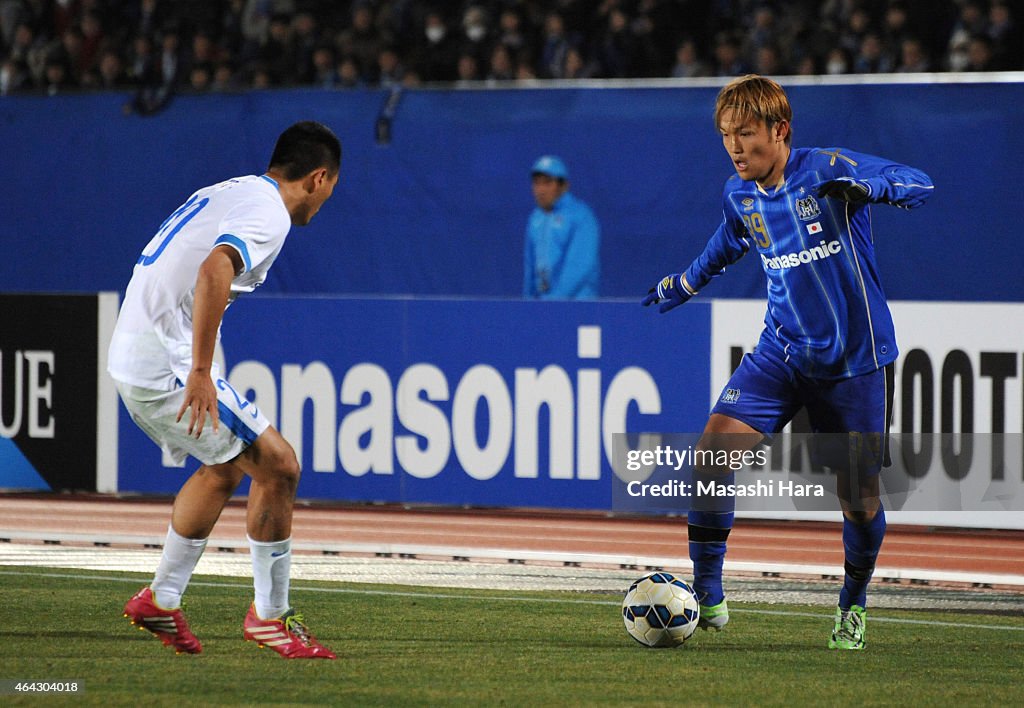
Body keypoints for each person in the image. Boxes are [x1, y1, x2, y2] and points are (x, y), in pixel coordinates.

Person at [642, 75, 933, 650]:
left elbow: (919, 182)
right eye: (726, 135)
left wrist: (873, 190)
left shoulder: (826, 169)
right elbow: (728, 241)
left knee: (860, 501)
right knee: (710, 456)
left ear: (780, 131)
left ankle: (852, 601)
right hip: (780, 354)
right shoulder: (739, 192)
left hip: (854, 363)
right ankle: (706, 594)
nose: (734, 147)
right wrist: (685, 282)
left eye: (745, 134)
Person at [109, 121, 341, 659]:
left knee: (224, 468)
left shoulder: (230, 191)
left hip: (137, 353)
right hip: (164, 362)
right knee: (280, 466)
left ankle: (161, 601)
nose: (327, 199)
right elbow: (214, 269)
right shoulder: (269, 213)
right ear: (319, 178)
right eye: (331, 188)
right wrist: (197, 369)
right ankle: (271, 618)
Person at [523, 155, 600, 299]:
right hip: (542, 308)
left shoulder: (581, 216)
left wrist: (554, 303)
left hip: (577, 307)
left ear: (563, 186)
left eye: (547, 183)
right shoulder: (535, 218)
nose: (540, 190)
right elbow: (530, 267)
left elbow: (579, 266)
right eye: (536, 183)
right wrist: (528, 304)